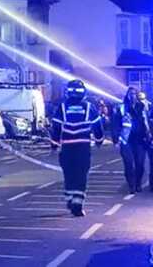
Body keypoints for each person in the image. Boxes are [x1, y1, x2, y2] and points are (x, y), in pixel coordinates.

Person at [50, 80, 104, 217]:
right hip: (83, 147)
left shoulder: (62, 107)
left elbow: (56, 127)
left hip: (67, 147)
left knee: (69, 174)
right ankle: (77, 204)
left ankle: (69, 198)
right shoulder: (89, 107)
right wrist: (99, 140)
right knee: (81, 175)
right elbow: (97, 126)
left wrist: (54, 144)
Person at [112, 87, 152, 194]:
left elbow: (147, 122)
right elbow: (115, 124)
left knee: (140, 164)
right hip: (126, 140)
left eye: (134, 94)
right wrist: (116, 139)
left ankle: (138, 183)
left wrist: (149, 136)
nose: (132, 96)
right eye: (131, 94)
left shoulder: (142, 107)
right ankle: (131, 185)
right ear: (127, 95)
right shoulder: (121, 108)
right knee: (129, 164)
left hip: (140, 140)